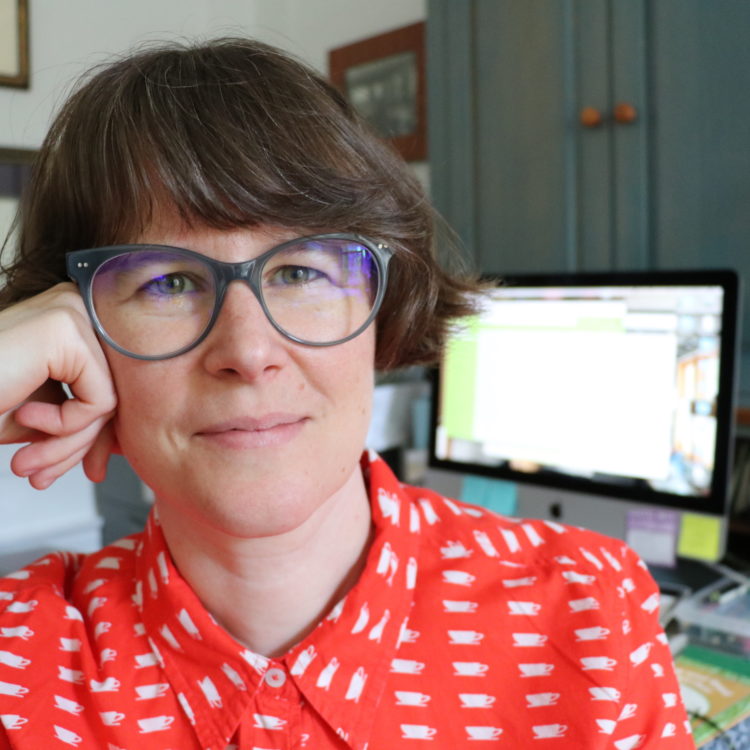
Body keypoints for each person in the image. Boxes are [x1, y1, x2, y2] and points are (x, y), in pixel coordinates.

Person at [0, 37, 694, 749]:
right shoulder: (17, 662)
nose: (248, 352)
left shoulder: (589, 612)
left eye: (300, 272)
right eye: (167, 283)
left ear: (382, 309)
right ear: (77, 344)